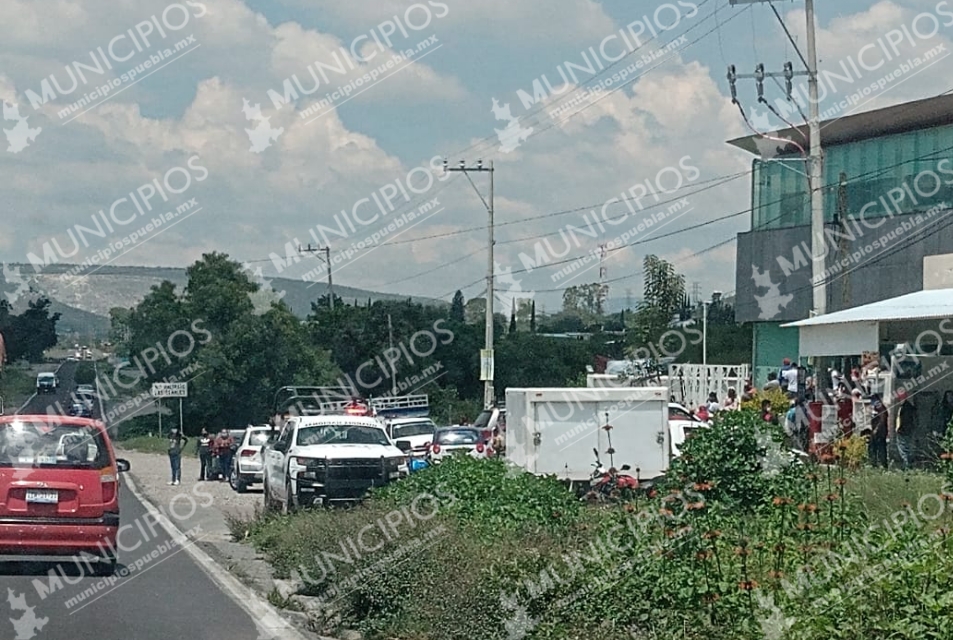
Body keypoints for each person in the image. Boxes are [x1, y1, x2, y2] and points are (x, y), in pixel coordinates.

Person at [895, 389, 917, 470]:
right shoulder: (906, 406)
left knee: (903, 449)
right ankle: (907, 465)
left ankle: (906, 466)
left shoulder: (905, 407)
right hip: (905, 430)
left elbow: (905, 420)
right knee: (906, 448)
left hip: (903, 431)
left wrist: (901, 429)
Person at [868, 393, 888, 469]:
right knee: (873, 447)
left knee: (881, 448)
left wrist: (877, 429)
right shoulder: (876, 408)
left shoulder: (881, 408)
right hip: (875, 432)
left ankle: (882, 464)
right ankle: (874, 463)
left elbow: (882, 419)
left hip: (880, 432)